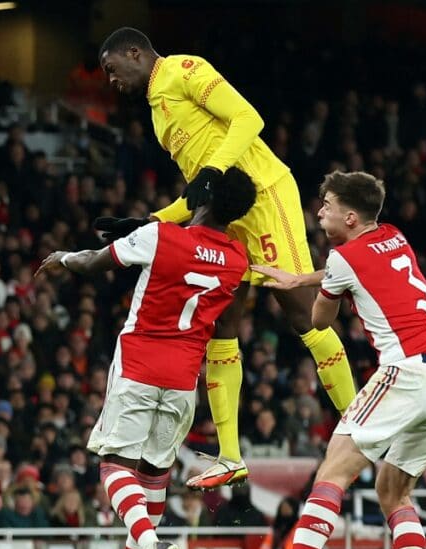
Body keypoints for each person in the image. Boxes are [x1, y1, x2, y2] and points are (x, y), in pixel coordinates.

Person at [93, 27, 356, 489]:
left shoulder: (183, 70)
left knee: (302, 314)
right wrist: (149, 220)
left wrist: (214, 169)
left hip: (263, 196)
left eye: (113, 70)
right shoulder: (158, 114)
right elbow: (200, 193)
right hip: (227, 215)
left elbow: (248, 119)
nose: (113, 82)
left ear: (135, 53)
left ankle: (360, 425)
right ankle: (230, 456)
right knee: (222, 323)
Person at [38, 167, 256, 549]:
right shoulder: (239, 258)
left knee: (114, 467)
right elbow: (228, 332)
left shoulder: (163, 237)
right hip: (184, 380)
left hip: (139, 364)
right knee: (154, 476)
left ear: (205, 202)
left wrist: (62, 258)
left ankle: (154, 546)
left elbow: (94, 263)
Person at [250, 171, 426, 549]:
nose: (318, 210)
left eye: (325, 204)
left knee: (333, 471)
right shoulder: (393, 237)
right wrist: (302, 275)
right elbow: (351, 271)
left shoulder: (343, 256)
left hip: (404, 373)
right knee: (393, 492)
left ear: (349, 216)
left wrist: (303, 291)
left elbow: (319, 319)